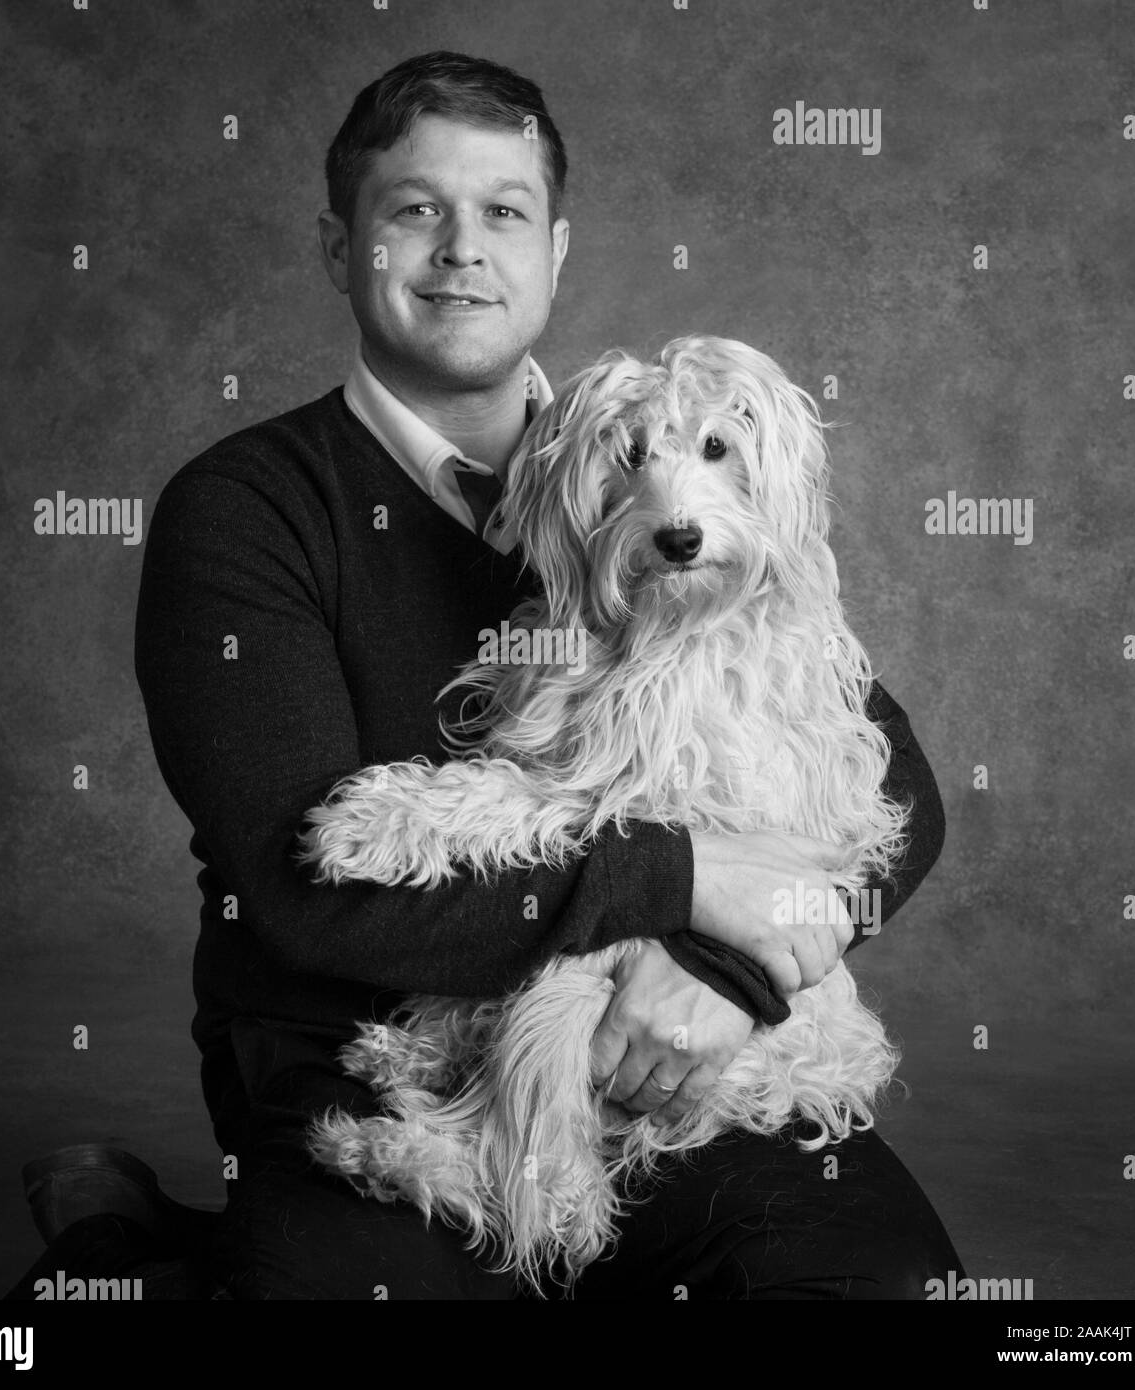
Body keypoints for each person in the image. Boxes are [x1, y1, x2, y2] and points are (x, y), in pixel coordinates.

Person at [132, 49, 962, 1300]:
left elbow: (893, 797)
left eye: (504, 212)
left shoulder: (651, 460)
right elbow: (307, 896)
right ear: (337, 245)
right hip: (371, 1049)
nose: (463, 249)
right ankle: (119, 1252)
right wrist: (680, 880)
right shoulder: (246, 511)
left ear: (557, 252)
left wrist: (731, 963)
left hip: (677, 1040)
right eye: (415, 210)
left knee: (889, 1294)